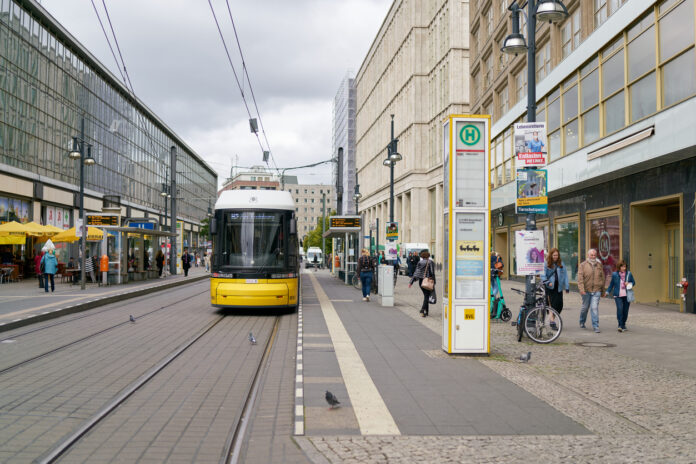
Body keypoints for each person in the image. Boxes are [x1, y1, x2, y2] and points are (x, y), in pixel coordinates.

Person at [577, 248, 605, 333]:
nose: (593, 256)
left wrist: (603, 291)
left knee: (594, 308)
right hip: (586, 291)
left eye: (594, 255)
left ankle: (596, 326)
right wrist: (581, 289)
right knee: (585, 308)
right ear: (588, 255)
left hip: (597, 290)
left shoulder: (599, 265)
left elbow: (602, 278)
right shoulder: (583, 265)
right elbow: (580, 278)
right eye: (591, 255)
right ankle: (582, 321)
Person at [605, 260, 635, 332]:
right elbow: (612, 284)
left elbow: (634, 282)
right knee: (620, 309)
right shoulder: (615, 274)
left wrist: (629, 284)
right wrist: (607, 292)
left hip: (627, 295)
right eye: (622, 266)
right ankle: (620, 325)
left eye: (624, 266)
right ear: (619, 267)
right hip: (618, 295)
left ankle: (623, 324)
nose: (623, 268)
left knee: (625, 311)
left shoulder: (629, 274)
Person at [544, 248, 569, 329]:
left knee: (559, 305)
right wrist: (547, 282)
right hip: (550, 287)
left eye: (557, 255)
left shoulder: (561, 263)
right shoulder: (546, 263)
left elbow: (565, 275)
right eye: (554, 255)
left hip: (558, 287)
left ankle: (552, 319)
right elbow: (543, 275)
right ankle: (552, 321)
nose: (555, 257)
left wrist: (567, 286)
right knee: (551, 305)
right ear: (551, 255)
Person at [409, 249, 435, 317]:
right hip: (428, 281)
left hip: (421, 282)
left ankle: (426, 312)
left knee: (426, 295)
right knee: (427, 296)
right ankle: (423, 309)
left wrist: (411, 282)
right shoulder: (430, 262)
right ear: (428, 256)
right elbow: (432, 272)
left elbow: (416, 272)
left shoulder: (419, 262)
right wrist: (434, 281)